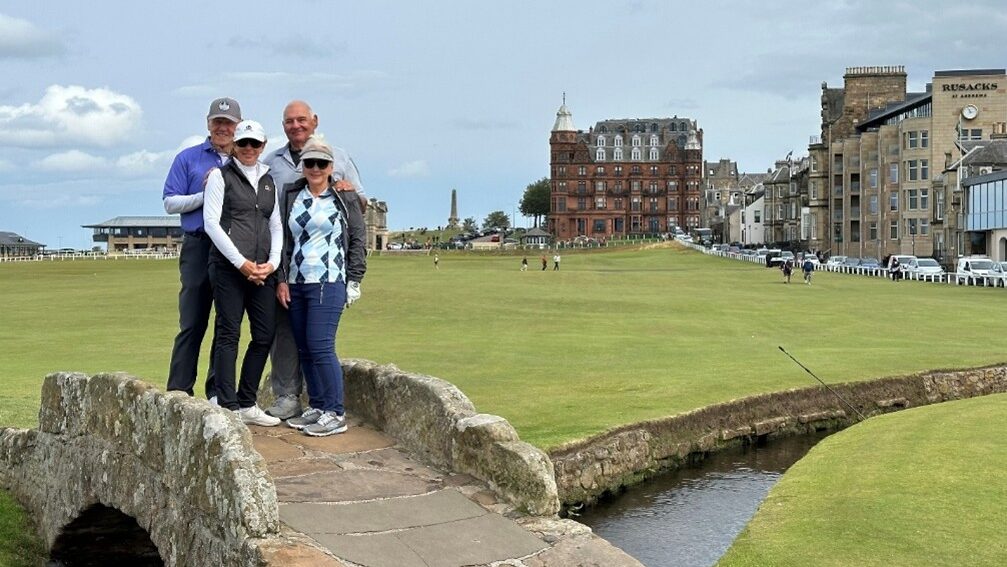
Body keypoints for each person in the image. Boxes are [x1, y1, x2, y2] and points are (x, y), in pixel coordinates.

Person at [263, 100, 367, 420]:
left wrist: (355, 279)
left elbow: (358, 229)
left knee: (320, 345)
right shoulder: (287, 186)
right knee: (300, 344)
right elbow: (283, 234)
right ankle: (312, 403)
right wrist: (281, 277)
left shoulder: (342, 184)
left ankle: (334, 411)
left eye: (322, 163)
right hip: (295, 277)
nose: (316, 168)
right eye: (310, 163)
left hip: (328, 278)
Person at [203, 120, 282, 427]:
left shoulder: (268, 180)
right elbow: (212, 223)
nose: (249, 149)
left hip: (262, 269)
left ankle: (247, 401)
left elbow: (274, 224)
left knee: (264, 334)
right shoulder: (220, 177)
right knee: (229, 333)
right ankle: (228, 404)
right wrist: (241, 263)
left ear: (263, 146)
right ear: (234, 145)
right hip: (229, 268)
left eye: (255, 143)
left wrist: (271, 263)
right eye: (244, 143)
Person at [163, 97, 241, 401]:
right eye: (217, 122)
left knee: (226, 323)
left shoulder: (244, 159)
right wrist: (207, 193)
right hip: (198, 244)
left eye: (228, 123)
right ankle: (179, 391)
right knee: (192, 321)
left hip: (231, 246)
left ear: (237, 126)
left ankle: (218, 392)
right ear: (208, 124)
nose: (223, 128)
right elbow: (171, 202)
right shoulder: (188, 158)